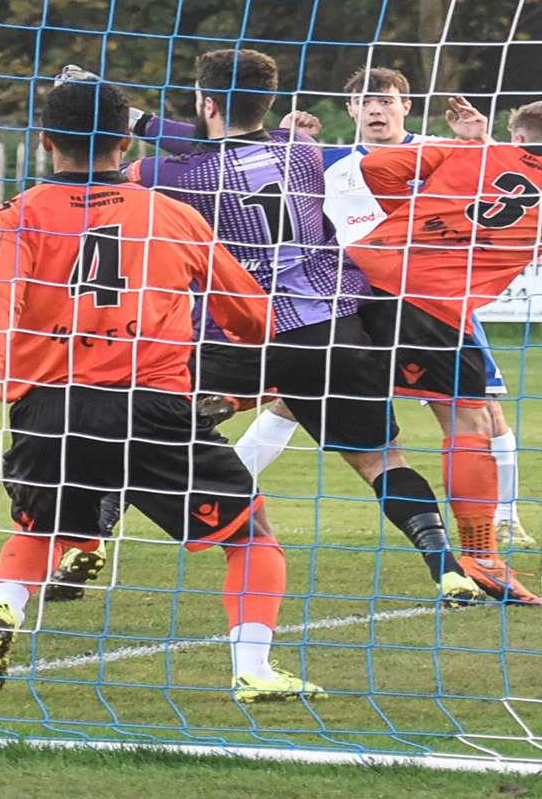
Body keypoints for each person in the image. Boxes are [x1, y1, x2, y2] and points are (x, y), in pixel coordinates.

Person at [0, 79, 320, 704]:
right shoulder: (173, 216)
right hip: (151, 404)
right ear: (126, 142)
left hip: (50, 406)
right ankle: (253, 668)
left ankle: (3, 610)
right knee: (251, 535)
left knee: (39, 529)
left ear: (45, 143)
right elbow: (250, 316)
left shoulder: (14, 215)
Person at [125, 51, 481, 606]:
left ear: (207, 103)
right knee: (381, 459)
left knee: (130, 420)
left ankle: (86, 543)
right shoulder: (304, 151)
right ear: (269, 104)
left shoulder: (170, 174)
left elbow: (137, 165)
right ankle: (448, 569)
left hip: (239, 336)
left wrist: (123, 119)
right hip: (330, 330)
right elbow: (216, 141)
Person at [344, 96, 542, 605]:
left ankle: (219, 397)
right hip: (430, 303)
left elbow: (375, 167)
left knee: (297, 386)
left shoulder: (469, 152)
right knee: (470, 423)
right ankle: (482, 555)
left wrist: (412, 216)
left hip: (357, 275)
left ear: (519, 136)